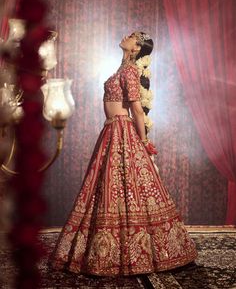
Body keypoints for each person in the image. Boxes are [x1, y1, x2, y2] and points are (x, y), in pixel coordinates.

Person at [48, 31, 198, 276]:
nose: (127, 36)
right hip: (110, 130)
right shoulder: (123, 68)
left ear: (136, 47)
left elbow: (137, 111)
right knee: (107, 187)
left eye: (133, 36)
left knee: (124, 187)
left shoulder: (129, 71)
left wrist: (144, 143)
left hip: (122, 130)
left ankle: (138, 252)